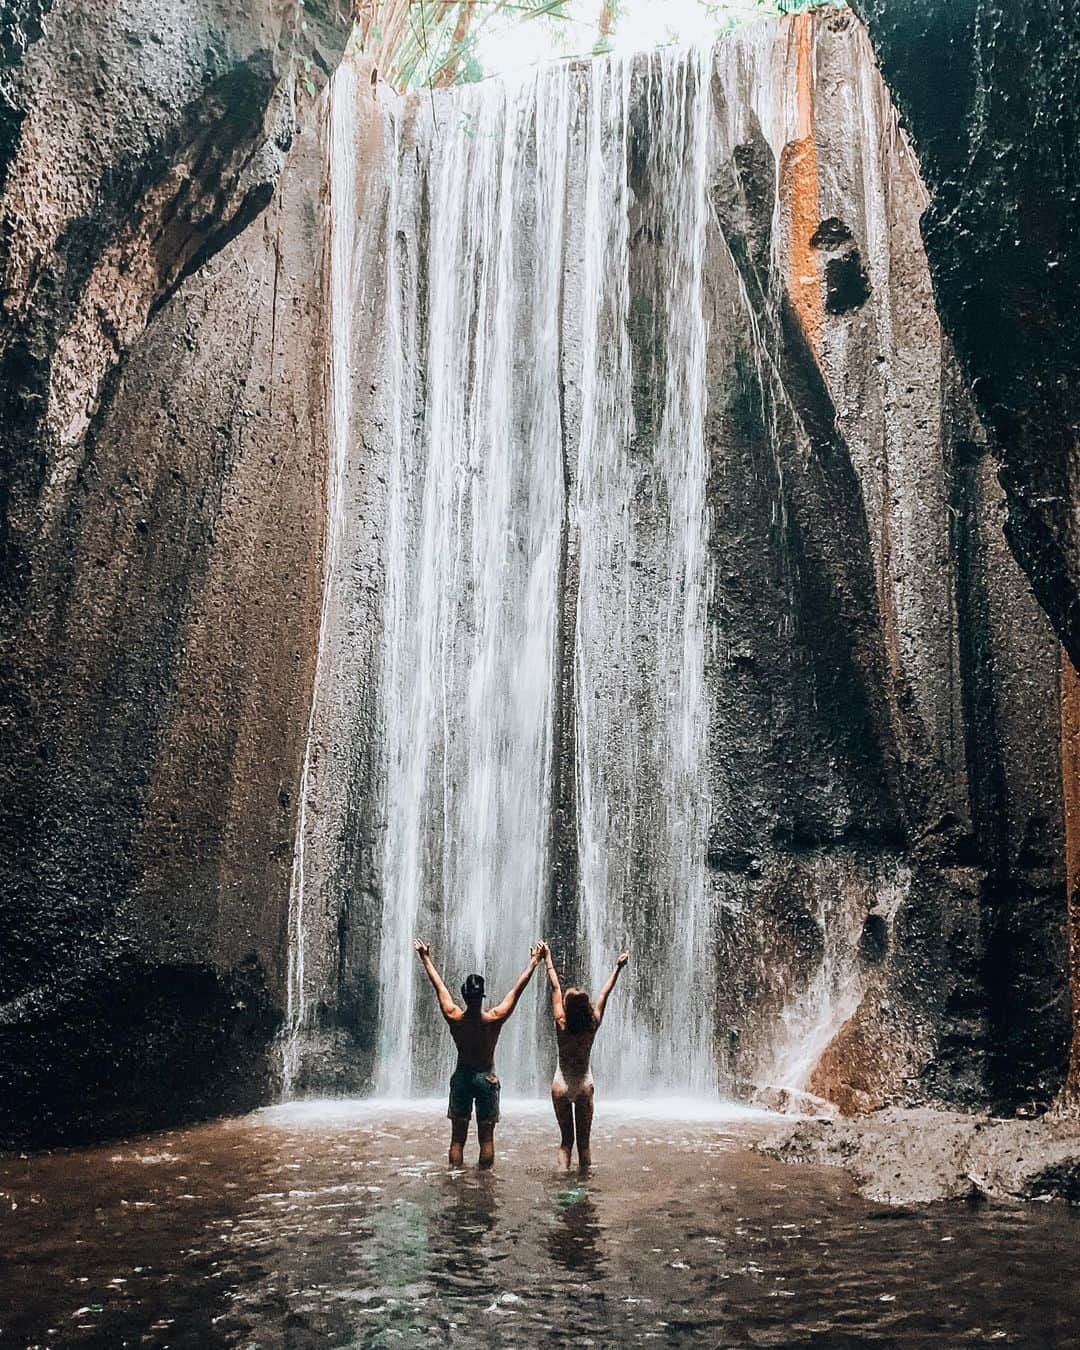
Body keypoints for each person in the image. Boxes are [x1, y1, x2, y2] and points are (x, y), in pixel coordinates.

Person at [414, 937, 544, 1168]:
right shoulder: (494, 1019)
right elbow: (517, 990)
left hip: (462, 1077)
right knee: (486, 1138)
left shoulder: (454, 1016)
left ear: (464, 996)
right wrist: (534, 962)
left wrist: (425, 958)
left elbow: (439, 987)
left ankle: (457, 1180)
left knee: (457, 1139)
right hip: (486, 1078)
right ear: (482, 996)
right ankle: (484, 1185)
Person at [539, 941, 629, 1170]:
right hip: (583, 1085)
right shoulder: (592, 1025)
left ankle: (563, 1184)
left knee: (566, 1142)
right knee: (584, 1146)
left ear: (567, 1008)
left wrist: (547, 958)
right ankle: (584, 1189)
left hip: (561, 1084)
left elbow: (555, 988)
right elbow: (604, 993)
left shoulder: (561, 1024)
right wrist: (617, 968)